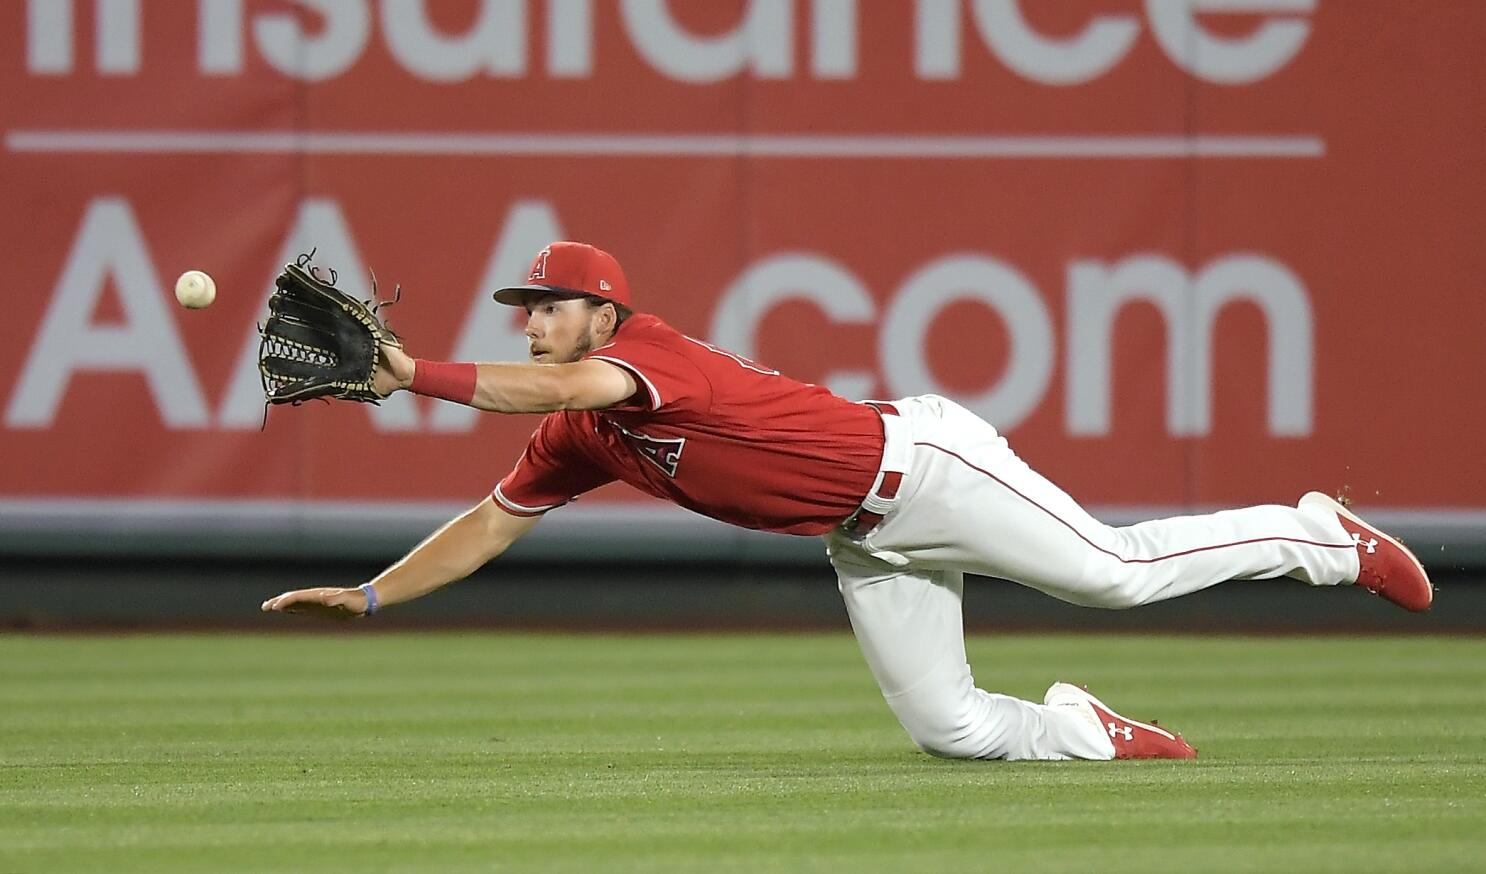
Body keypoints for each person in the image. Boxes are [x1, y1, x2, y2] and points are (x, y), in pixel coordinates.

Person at [262, 241, 1433, 761]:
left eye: (551, 303)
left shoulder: (640, 356)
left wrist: (415, 372)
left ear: (605, 313)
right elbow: (488, 523)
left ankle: (1321, 536)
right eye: (526, 303)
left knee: (1112, 573)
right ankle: (1084, 730)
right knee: (951, 727)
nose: (533, 317)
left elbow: (556, 383)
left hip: (920, 468)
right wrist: (371, 596)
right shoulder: (579, 434)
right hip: (862, 534)